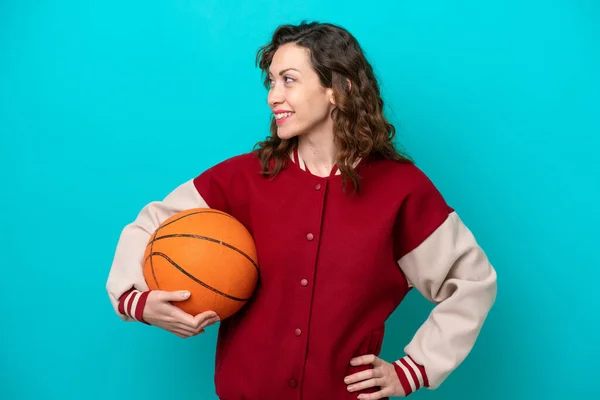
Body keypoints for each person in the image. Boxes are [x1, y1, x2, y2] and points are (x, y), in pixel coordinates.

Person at [106, 21, 497, 400]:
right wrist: (137, 302)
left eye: (288, 80)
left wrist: (412, 370)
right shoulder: (244, 177)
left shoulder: (401, 190)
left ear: (337, 89)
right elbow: (150, 225)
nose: (272, 96)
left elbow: (472, 282)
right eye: (271, 82)